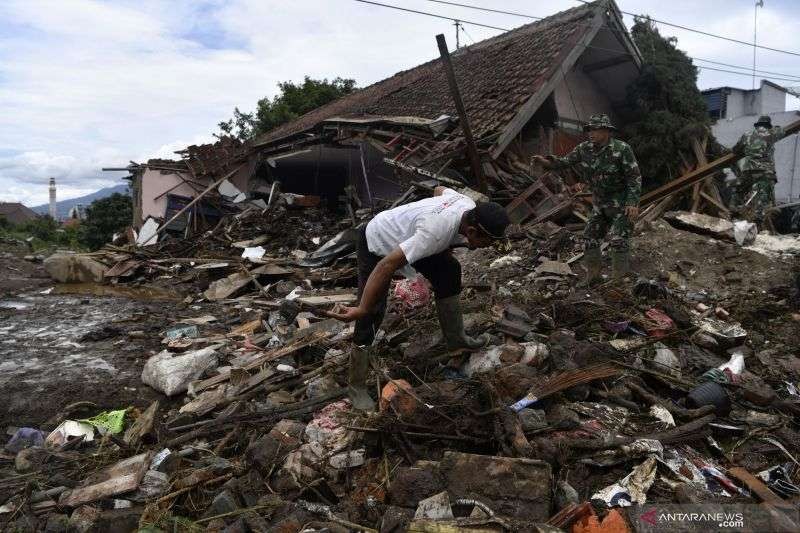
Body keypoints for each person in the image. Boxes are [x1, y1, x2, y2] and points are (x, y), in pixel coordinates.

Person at [329, 186, 510, 410]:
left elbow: (439, 189)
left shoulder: (467, 205)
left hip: (409, 237)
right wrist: (362, 308)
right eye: (488, 242)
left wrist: (437, 240)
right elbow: (386, 265)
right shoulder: (434, 234)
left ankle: (458, 343)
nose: (488, 247)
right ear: (472, 232)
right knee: (372, 312)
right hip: (377, 241)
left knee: (449, 270)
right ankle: (356, 385)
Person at [532, 114, 641, 285]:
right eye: (589, 129)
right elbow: (564, 162)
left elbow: (634, 177)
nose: (591, 133)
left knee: (619, 239)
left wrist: (632, 202)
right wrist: (546, 163)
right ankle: (593, 277)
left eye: (596, 129)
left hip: (621, 203)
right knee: (590, 237)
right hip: (599, 204)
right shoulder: (584, 149)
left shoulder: (622, 149)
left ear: (606, 131)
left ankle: (618, 281)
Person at [733, 115, 785, 228]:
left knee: (739, 191)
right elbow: (782, 130)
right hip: (765, 171)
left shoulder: (746, 135)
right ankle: (758, 221)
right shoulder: (772, 133)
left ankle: (734, 211)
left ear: (758, 125)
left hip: (748, 170)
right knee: (763, 197)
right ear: (768, 125)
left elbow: (736, 150)